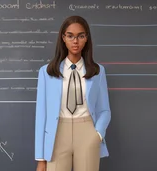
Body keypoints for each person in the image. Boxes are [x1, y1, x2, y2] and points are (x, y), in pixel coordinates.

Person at [34, 15, 111, 171]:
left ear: (86, 38)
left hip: (87, 132)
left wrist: (97, 135)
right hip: (57, 134)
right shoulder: (46, 72)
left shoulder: (97, 72)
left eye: (80, 36)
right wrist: (41, 158)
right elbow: (41, 115)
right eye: (70, 36)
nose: (75, 41)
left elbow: (104, 110)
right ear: (63, 38)